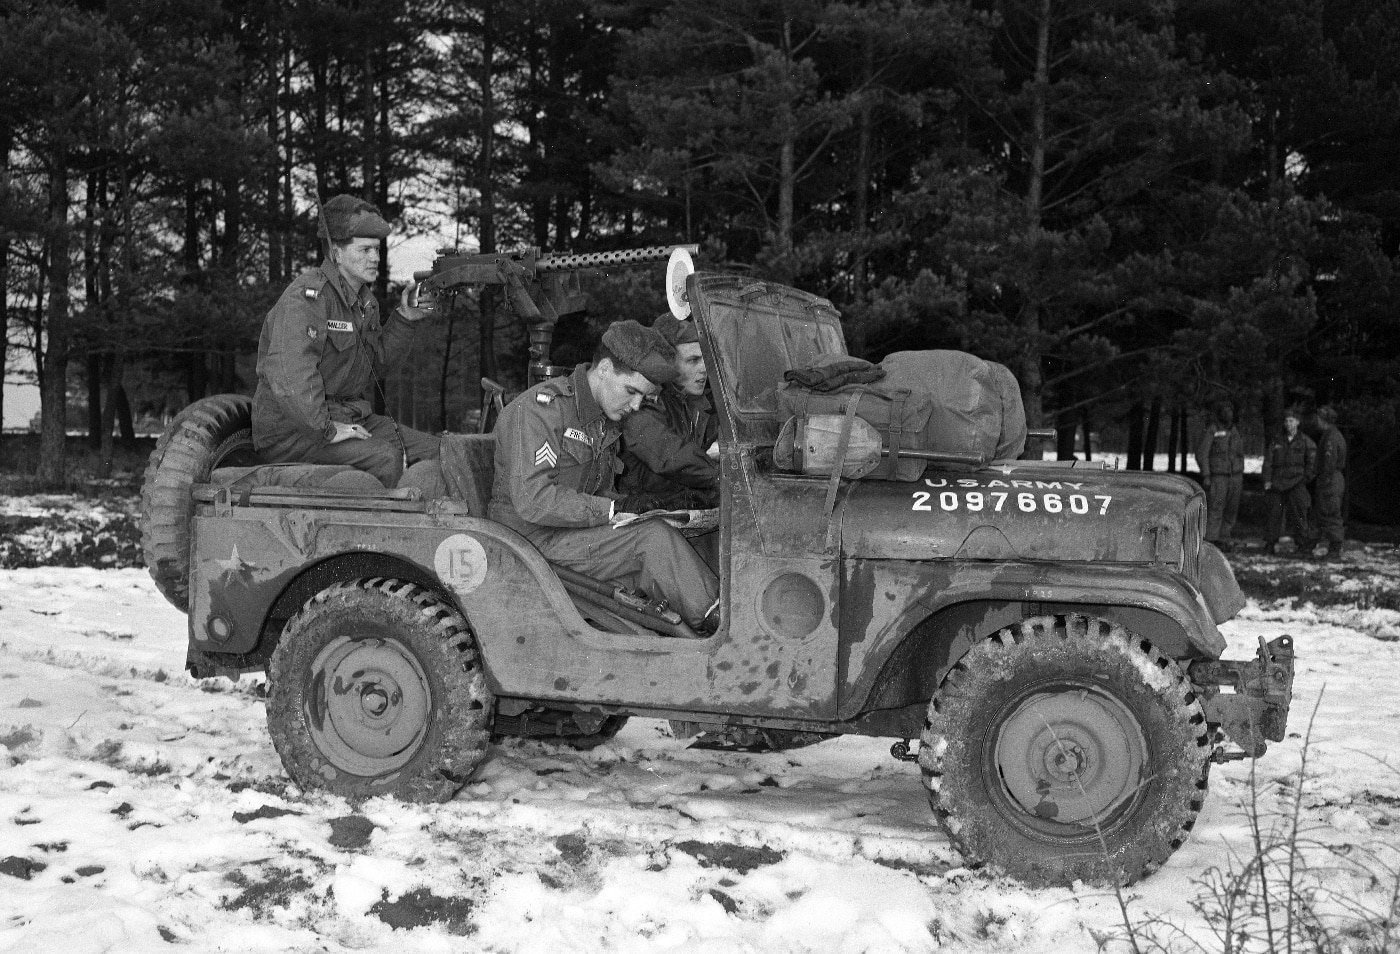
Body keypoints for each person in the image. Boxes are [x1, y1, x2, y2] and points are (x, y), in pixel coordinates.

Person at [488, 320, 720, 632]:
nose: (636, 405)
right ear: (605, 369)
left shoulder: (600, 418)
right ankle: (719, 627)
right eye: (632, 391)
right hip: (529, 542)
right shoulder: (541, 410)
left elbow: (598, 492)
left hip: (567, 536)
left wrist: (639, 504)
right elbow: (534, 500)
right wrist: (612, 510)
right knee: (651, 540)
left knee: (661, 530)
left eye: (644, 398)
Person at [252, 194, 440, 489]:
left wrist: (405, 318)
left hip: (347, 418)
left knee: (437, 452)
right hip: (293, 431)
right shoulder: (307, 298)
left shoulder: (365, 304)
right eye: (365, 250)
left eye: (377, 250)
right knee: (385, 459)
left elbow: (375, 366)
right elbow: (290, 375)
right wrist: (325, 429)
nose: (375, 258)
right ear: (336, 253)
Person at [619, 312, 719, 509]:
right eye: (693, 360)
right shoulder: (643, 400)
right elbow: (670, 455)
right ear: (668, 362)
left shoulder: (692, 401)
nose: (704, 369)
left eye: (706, 359)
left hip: (676, 502)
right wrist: (721, 475)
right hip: (640, 509)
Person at [1262, 408, 1316, 556]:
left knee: (1299, 513)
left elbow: (1312, 461)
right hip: (1277, 483)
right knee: (1274, 514)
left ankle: (1302, 545)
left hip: (1296, 483)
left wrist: (1306, 478)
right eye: (1286, 421)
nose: (1288, 424)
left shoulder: (1305, 441)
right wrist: (1267, 479)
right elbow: (1268, 461)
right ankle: (1270, 543)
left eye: (1291, 421)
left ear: (1297, 422)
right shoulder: (1277, 440)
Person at [1194, 399, 1245, 552]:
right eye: (1225, 410)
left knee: (1231, 509)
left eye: (1230, 410)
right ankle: (1211, 541)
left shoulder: (1235, 431)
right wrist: (1206, 475)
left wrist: (1239, 471)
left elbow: (1240, 454)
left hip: (1235, 477)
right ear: (1220, 413)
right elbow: (1202, 454)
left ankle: (1224, 538)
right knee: (1216, 508)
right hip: (1219, 476)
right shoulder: (1213, 430)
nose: (1228, 414)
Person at [1313, 405, 1347, 559]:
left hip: (1330, 479)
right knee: (1328, 510)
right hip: (1332, 477)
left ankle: (1335, 547)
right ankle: (1333, 545)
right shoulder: (1331, 434)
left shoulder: (1330, 437)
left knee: (1331, 511)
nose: (1316, 422)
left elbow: (1329, 461)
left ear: (1323, 420)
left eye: (1318, 418)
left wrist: (1324, 480)